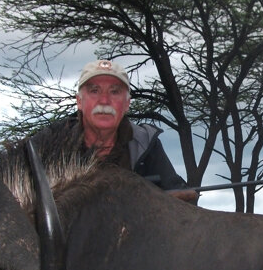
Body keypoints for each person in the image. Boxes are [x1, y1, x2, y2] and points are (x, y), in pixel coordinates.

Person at [33, 59, 198, 203]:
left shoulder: (145, 143)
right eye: (94, 91)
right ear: (79, 102)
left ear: (127, 104)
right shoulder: (49, 143)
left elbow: (182, 199)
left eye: (114, 92)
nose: (104, 100)